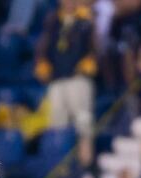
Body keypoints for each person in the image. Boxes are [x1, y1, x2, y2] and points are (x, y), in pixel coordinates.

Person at [34, 0, 97, 167]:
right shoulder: (53, 20)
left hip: (77, 77)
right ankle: (59, 163)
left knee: (83, 119)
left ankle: (86, 161)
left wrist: (89, 62)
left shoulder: (86, 21)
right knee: (57, 121)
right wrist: (42, 63)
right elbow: (43, 46)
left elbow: (94, 46)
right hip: (56, 78)